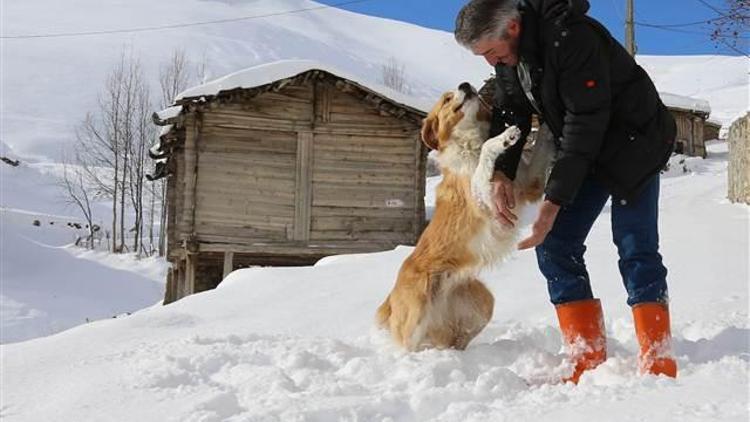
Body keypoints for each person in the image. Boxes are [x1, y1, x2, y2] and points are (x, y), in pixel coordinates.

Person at [454, 0, 678, 383]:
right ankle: (586, 355)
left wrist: (553, 201)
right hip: (586, 151)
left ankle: (658, 357)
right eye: (482, 57)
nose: (490, 62)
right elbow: (511, 111)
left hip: (635, 142)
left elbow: (585, 119)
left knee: (634, 245)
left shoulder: (571, 38)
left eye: (491, 51)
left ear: (512, 28)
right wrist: (501, 173)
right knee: (556, 244)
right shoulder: (510, 60)